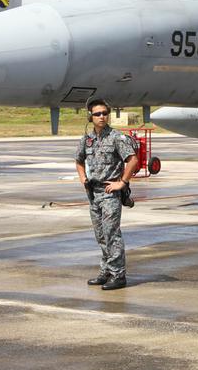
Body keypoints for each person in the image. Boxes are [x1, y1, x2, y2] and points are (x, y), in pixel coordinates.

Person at [75, 99, 139, 290]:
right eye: (97, 114)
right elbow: (78, 161)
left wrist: (122, 183)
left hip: (110, 192)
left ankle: (118, 275)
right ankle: (106, 271)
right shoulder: (86, 140)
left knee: (112, 234)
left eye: (104, 113)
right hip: (93, 193)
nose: (101, 117)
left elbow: (133, 160)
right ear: (90, 116)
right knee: (101, 235)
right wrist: (82, 178)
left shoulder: (117, 137)